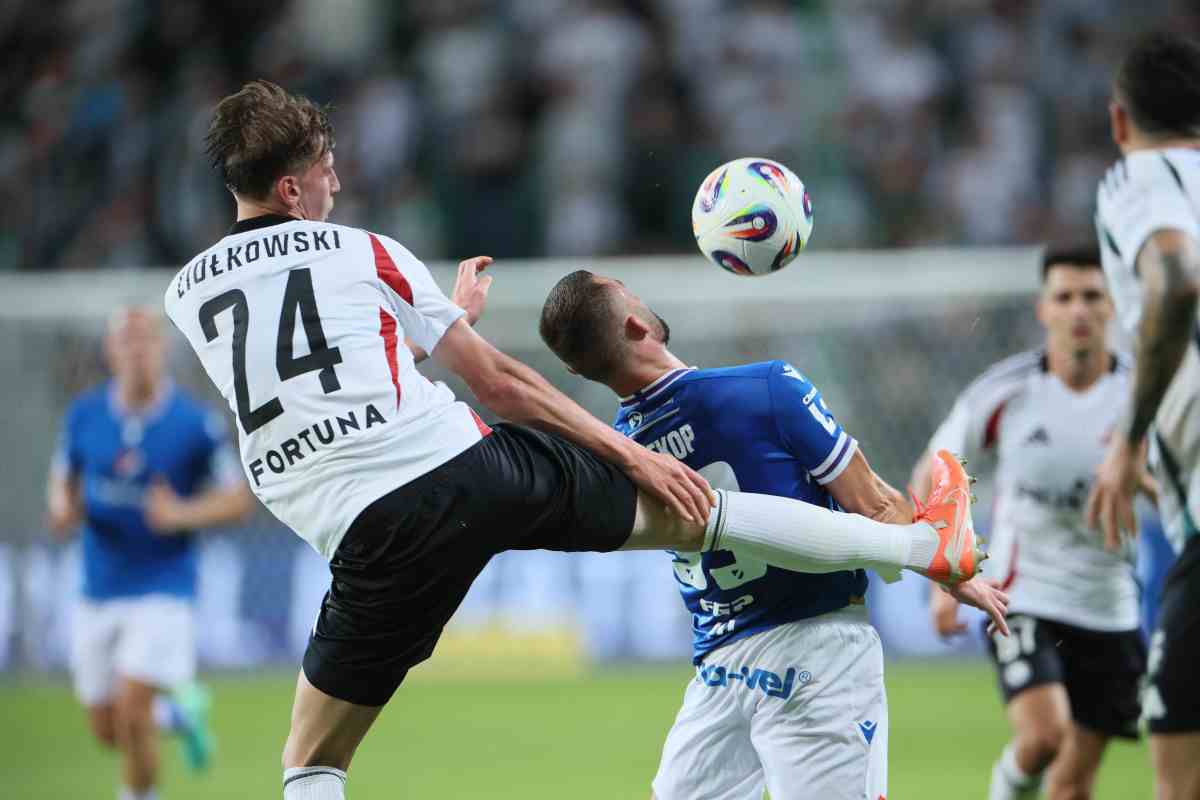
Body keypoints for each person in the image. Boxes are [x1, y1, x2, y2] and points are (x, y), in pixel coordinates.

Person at [165, 80, 988, 800]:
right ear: (289, 185)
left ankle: (921, 547)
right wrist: (628, 453)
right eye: (324, 170)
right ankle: (923, 546)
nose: (335, 183)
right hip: (459, 469)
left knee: (310, 760)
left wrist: (425, 330)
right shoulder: (363, 250)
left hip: (357, 534)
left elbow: (314, 369)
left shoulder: (186, 295)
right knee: (704, 515)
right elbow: (499, 385)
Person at [537, 270, 1010, 800]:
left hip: (719, 669)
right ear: (635, 324)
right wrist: (946, 569)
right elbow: (873, 504)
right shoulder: (766, 388)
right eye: (630, 291)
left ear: (576, 368)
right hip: (816, 649)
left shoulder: (617, 458)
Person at [913, 248, 1151, 800]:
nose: (1079, 311)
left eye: (1092, 296)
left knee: (1072, 786)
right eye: (1065, 297)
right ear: (1044, 309)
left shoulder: (1143, 397)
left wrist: (1144, 479)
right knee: (1045, 736)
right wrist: (943, 578)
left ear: (1112, 305)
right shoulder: (1007, 392)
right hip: (1024, 596)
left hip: (1111, 603)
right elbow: (935, 471)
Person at [46, 307, 255, 800]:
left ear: (162, 350)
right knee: (106, 728)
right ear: (111, 351)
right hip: (97, 587)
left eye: (146, 341)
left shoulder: (194, 424)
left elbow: (237, 499)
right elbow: (62, 482)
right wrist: (62, 508)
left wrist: (181, 514)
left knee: (134, 707)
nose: (137, 351)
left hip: (164, 586)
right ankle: (178, 714)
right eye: (127, 341)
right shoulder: (84, 416)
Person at [1090, 31, 1200, 800]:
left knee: (1176, 759)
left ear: (1119, 121)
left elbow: (1176, 277)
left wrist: (1128, 443)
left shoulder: (1140, 179)